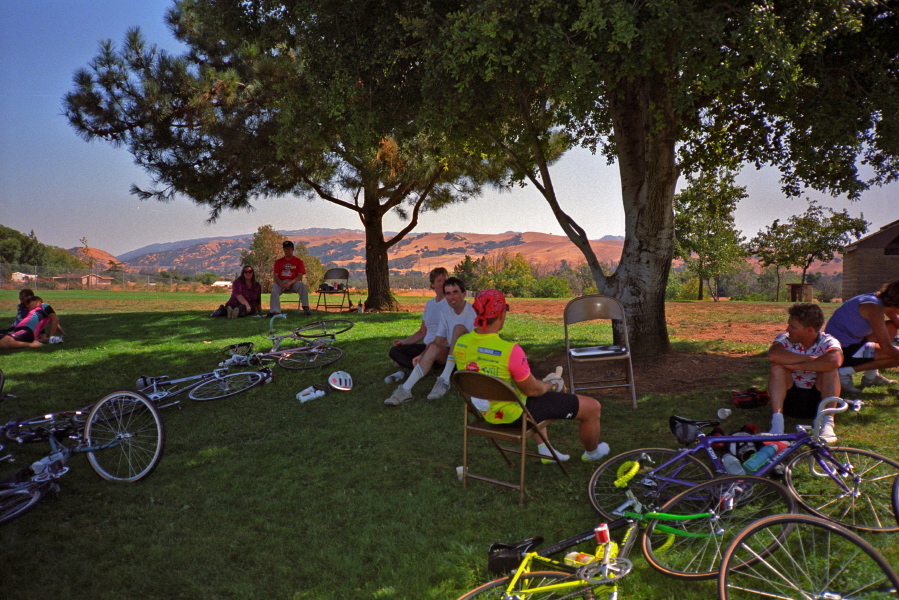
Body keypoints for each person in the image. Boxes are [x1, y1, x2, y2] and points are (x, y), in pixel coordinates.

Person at [452, 288, 609, 463]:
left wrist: (542, 385)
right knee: (592, 407)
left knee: (541, 398)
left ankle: (545, 450)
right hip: (517, 414)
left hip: (487, 411)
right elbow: (533, 391)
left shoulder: (461, 343)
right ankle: (592, 453)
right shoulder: (511, 351)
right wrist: (552, 384)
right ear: (502, 313)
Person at [384, 277, 476, 405]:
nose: (452, 297)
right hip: (452, 354)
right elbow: (439, 340)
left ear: (464, 293)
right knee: (433, 347)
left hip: (470, 357)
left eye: (455, 292)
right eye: (448, 293)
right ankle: (405, 389)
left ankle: (444, 380)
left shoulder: (473, 312)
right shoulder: (445, 311)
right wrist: (422, 355)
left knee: (458, 329)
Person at [767, 303, 842, 442]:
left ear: (809, 331)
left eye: (793, 327)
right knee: (777, 367)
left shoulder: (829, 341)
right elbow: (773, 355)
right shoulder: (784, 339)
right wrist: (815, 360)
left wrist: (792, 364)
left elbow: (834, 361)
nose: (787, 329)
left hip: (818, 403)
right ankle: (777, 423)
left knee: (830, 370)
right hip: (789, 399)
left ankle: (827, 423)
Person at [824, 280, 899, 393]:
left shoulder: (878, 299)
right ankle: (843, 372)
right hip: (840, 351)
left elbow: (896, 321)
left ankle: (871, 377)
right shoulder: (873, 307)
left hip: (850, 342)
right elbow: (887, 347)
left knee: (891, 326)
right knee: (895, 356)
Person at [389, 267, 448, 369]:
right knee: (394, 351)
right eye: (439, 281)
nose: (442, 283)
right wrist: (403, 342)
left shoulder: (451, 303)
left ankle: (422, 366)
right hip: (425, 346)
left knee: (432, 351)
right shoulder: (430, 304)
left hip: (441, 348)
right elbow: (422, 332)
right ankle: (421, 366)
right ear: (432, 284)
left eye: (445, 280)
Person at [269, 240, 310, 316]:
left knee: (302, 285)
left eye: (289, 249)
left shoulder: (298, 261)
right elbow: (275, 276)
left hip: (294, 282)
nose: (287, 251)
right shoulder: (278, 262)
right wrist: (281, 284)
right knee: (274, 287)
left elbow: (300, 275)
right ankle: (275, 311)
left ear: (292, 250)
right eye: (285, 249)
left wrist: (290, 283)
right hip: (282, 282)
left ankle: (306, 307)